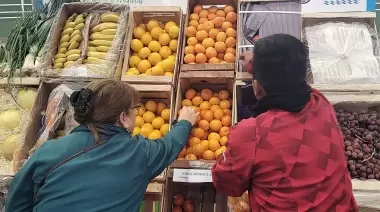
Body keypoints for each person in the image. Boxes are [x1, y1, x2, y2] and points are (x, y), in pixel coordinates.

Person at [212, 34, 358, 211]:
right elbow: (290, 78)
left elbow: (226, 184)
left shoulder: (252, 135)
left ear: (257, 87)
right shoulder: (321, 103)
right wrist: (258, 65)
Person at [5, 79, 199, 212]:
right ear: (123, 117)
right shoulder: (138, 153)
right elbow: (169, 145)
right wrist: (185, 122)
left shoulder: (48, 151)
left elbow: (16, 203)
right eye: (134, 110)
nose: (137, 114)